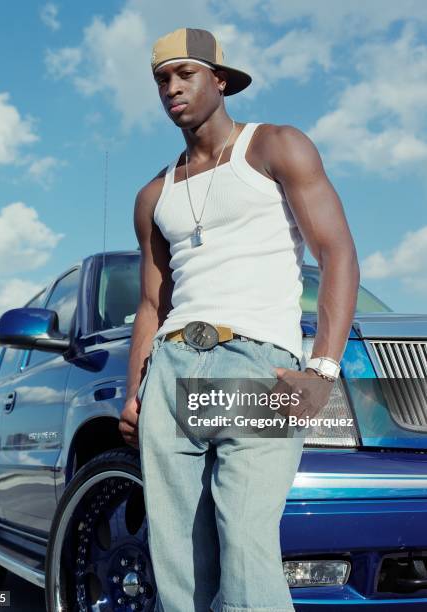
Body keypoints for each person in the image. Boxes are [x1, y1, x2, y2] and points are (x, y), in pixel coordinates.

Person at [119, 27, 360, 612]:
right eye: (161, 80)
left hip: (254, 365)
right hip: (173, 366)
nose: (171, 89)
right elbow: (153, 305)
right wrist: (134, 394)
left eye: (185, 74)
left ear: (219, 80)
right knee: (178, 562)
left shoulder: (275, 146)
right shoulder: (155, 194)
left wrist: (322, 370)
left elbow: (337, 254)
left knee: (248, 548)